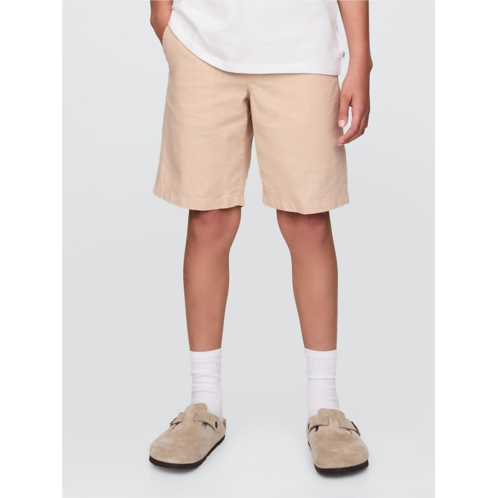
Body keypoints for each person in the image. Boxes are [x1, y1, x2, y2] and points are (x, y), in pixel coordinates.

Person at [148, 0, 373, 475]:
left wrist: (361, 57)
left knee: (307, 221)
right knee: (208, 218)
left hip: (303, 49)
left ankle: (326, 407)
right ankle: (203, 405)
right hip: (200, 43)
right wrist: (162, 15)